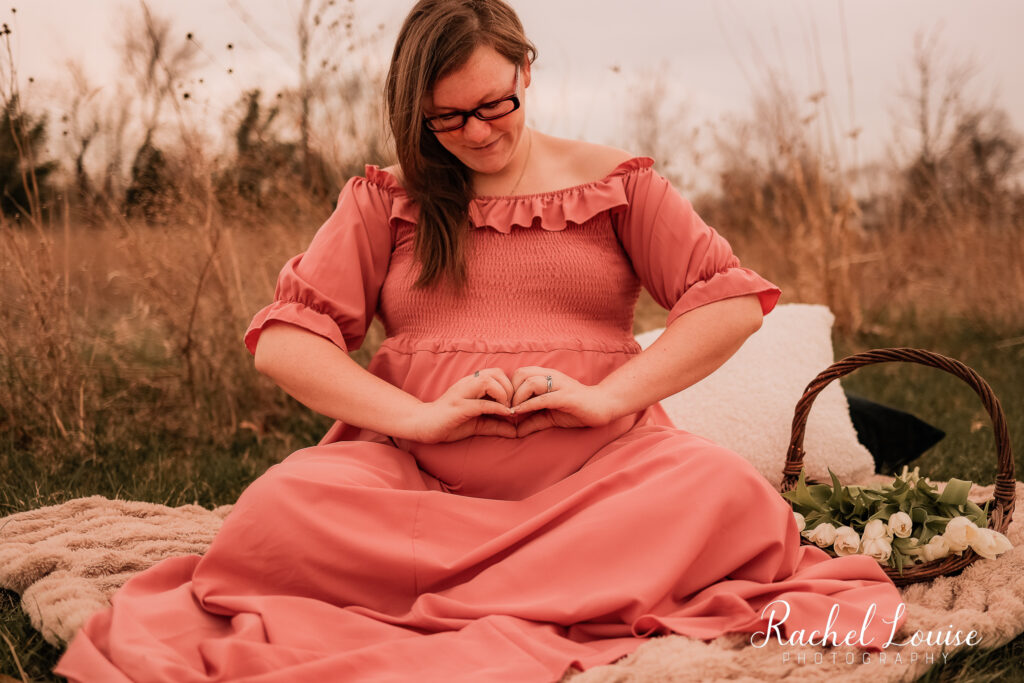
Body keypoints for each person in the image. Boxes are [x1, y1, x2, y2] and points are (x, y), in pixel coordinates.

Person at [55, 0, 908, 680]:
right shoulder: (385, 199)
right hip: (416, 482)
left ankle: (488, 587)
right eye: (445, 119)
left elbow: (725, 302)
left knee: (726, 493)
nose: (476, 134)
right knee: (277, 511)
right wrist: (415, 420)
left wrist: (609, 395)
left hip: (600, 472)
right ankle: (533, 586)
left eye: (494, 105)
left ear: (527, 70)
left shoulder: (618, 185)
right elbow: (288, 338)